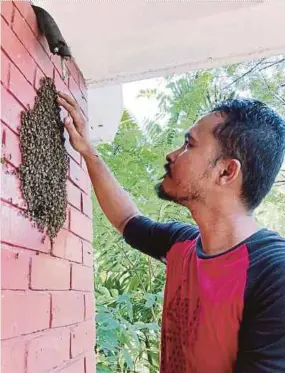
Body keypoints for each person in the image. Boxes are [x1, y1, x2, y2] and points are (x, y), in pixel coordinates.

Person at [57, 91, 285, 373]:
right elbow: (128, 219)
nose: (172, 154)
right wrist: (88, 151)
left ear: (226, 172)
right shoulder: (183, 244)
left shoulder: (275, 274)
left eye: (188, 144)